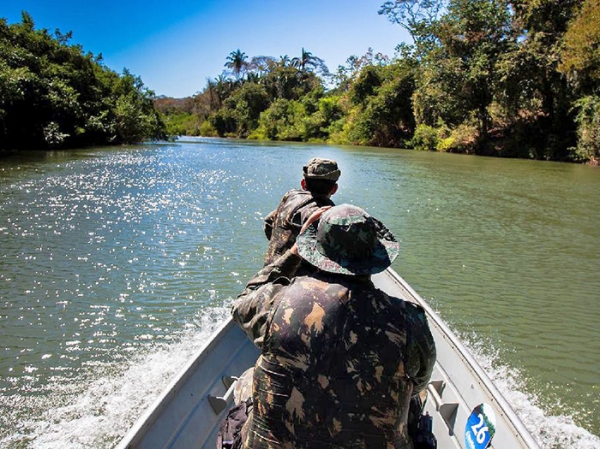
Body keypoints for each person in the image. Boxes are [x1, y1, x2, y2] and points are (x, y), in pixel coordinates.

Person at [231, 204, 436, 448]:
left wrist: (293, 253)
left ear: (315, 252)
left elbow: (242, 302)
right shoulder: (410, 321)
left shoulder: (276, 303)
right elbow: (419, 383)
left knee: (248, 378)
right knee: (416, 397)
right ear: (374, 257)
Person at [263, 157, 340, 270]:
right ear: (334, 189)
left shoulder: (291, 196)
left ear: (303, 184)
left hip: (267, 274)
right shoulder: (326, 214)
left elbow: (268, 222)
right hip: (296, 282)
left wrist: (280, 246)